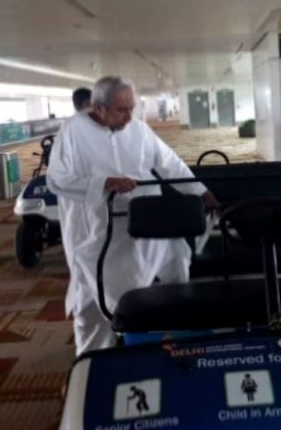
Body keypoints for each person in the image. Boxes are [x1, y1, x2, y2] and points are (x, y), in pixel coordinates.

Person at [47, 76, 218, 354]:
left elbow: (169, 162)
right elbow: (57, 180)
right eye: (122, 110)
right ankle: (93, 360)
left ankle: (171, 343)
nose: (129, 116)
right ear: (99, 107)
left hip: (147, 222)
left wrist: (200, 191)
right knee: (94, 300)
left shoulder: (138, 129)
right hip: (98, 232)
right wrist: (104, 182)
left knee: (174, 265)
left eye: (132, 108)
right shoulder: (73, 132)